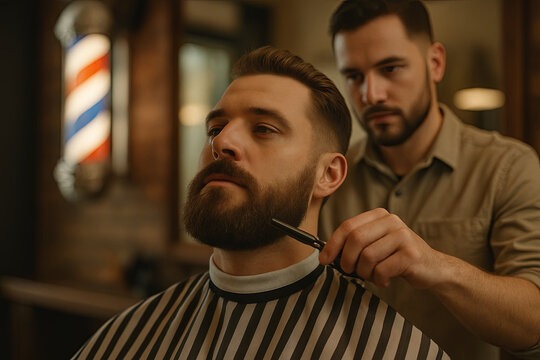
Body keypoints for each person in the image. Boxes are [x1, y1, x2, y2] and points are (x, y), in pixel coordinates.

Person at [72, 46, 449, 359]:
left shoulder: (390, 349)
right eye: (215, 129)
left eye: (264, 129)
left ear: (328, 175)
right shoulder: (127, 337)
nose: (221, 143)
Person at [319, 1, 540, 359]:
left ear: (435, 63)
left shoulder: (508, 167)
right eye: (353, 76)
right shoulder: (328, 178)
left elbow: (533, 323)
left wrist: (433, 265)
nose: (371, 94)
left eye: (390, 68)